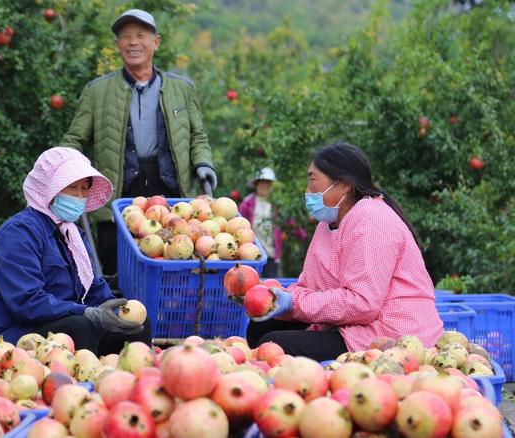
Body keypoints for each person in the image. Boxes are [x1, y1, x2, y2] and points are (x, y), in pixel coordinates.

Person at [245, 141, 443, 361]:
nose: (308, 191)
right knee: (259, 328)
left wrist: (294, 303)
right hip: (354, 320)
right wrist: (276, 300)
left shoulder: (372, 219)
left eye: (312, 180)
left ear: (345, 185)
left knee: (274, 344)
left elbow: (363, 304)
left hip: (390, 332)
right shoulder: (328, 223)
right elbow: (311, 285)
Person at [58, 8, 216, 276]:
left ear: (156, 42)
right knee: (115, 269)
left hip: (170, 191)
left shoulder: (182, 89)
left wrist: (204, 165)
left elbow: (197, 136)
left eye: (141, 35)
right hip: (117, 194)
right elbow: (74, 139)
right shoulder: (97, 91)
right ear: (118, 44)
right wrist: (73, 174)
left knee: (174, 261)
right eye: (126, 36)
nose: (133, 42)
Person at [0, 147, 151, 355]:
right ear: (49, 189)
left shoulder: (73, 235)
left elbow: (93, 289)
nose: (80, 196)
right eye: (72, 187)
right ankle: (78, 385)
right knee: (79, 326)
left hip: (58, 328)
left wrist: (117, 310)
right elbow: (27, 303)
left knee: (136, 328)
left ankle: (126, 381)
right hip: (10, 337)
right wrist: (87, 313)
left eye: (84, 189)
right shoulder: (19, 233)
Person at [239, 167, 286, 278]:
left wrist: (302, 231)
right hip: (252, 251)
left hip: (271, 252)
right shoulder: (247, 203)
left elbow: (289, 221)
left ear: (270, 185)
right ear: (256, 184)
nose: (264, 185)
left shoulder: (276, 204)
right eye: (261, 182)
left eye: (267, 183)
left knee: (270, 284)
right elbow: (239, 222)